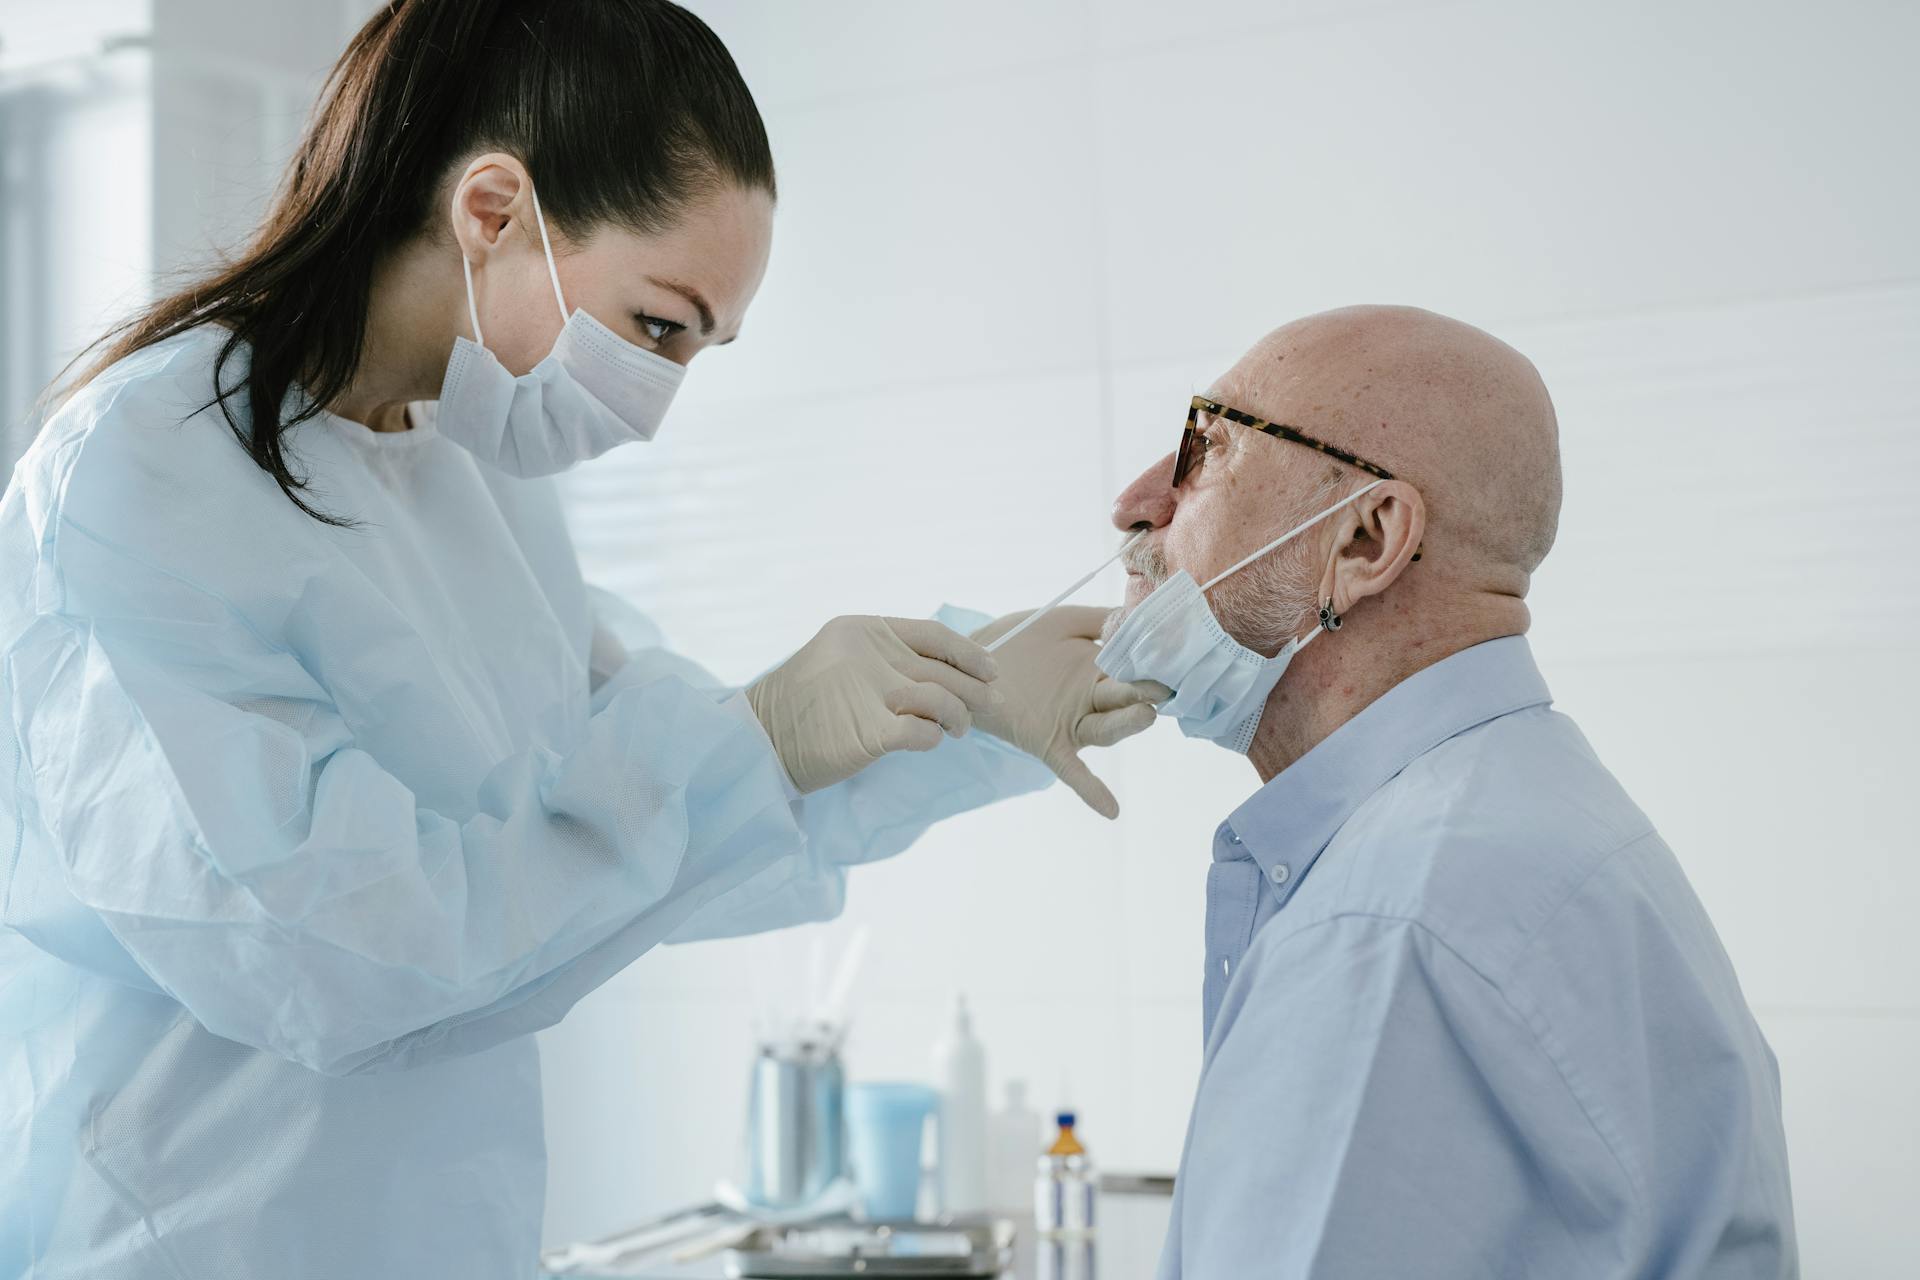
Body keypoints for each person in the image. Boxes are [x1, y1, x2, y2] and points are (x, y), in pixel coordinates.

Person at [0, 3, 1157, 1276]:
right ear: (492, 212)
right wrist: (756, 741)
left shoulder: (471, 480)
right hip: (189, 1240)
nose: (658, 404)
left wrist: (970, 707)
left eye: (698, 347)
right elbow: (336, 958)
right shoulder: (140, 477)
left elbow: (635, 845)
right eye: (660, 325)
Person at [1097, 305, 1796, 1277]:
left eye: (1207, 447)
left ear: (1367, 537)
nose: (1134, 502)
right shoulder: (1534, 818)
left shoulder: (1387, 932)